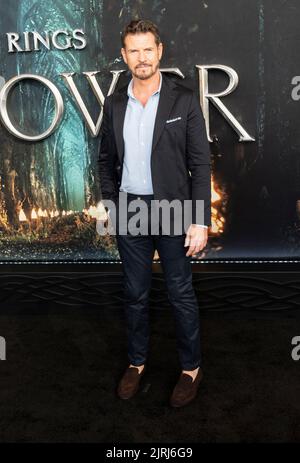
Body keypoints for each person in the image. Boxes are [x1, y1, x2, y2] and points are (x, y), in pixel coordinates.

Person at [98, 19, 211, 407]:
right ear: (124, 56)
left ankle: (191, 368)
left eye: (148, 49)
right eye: (134, 50)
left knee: (180, 292)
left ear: (160, 52)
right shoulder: (113, 103)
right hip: (130, 209)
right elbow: (104, 162)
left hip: (174, 209)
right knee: (134, 292)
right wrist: (111, 205)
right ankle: (136, 362)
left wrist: (199, 220)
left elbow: (201, 165)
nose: (142, 58)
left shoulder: (183, 100)